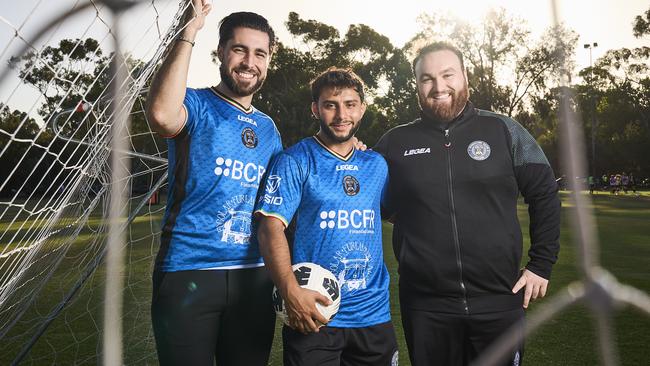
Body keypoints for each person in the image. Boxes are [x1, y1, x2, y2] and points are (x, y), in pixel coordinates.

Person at [374, 42, 561, 366]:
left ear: (464, 76)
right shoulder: (395, 143)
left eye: (448, 75)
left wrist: (541, 265)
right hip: (426, 306)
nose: (438, 86)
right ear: (416, 85)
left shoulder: (504, 130)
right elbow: (369, 205)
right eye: (427, 78)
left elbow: (544, 191)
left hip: (500, 301)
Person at [145, 3, 282, 365]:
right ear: (221, 52)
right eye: (239, 49)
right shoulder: (196, 103)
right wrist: (189, 31)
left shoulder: (269, 129)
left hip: (253, 277)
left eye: (260, 53)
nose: (249, 61)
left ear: (268, 61)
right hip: (188, 270)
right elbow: (161, 115)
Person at [255, 68, 399, 365]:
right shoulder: (294, 160)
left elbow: (393, 215)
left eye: (349, 104)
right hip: (315, 314)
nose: (341, 114)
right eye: (331, 104)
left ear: (362, 109)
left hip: (373, 315)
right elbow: (270, 228)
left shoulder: (377, 165)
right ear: (315, 108)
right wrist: (290, 291)